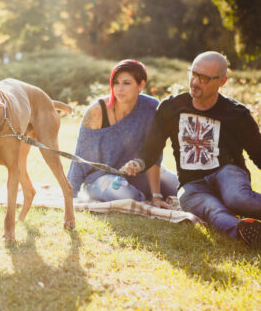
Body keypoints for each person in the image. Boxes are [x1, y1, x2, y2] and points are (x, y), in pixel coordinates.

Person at [120, 51, 261, 248]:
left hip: (227, 172)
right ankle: (244, 232)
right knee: (214, 211)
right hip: (192, 184)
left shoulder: (236, 114)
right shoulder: (170, 108)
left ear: (222, 81)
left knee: (236, 199)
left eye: (203, 78)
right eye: (193, 74)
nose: (195, 82)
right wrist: (139, 163)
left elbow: (258, 153)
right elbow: (153, 146)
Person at [67, 59, 178, 208]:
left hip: (138, 175)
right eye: (116, 83)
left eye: (126, 83)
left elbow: (154, 154)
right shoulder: (97, 111)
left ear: (141, 85)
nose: (119, 89)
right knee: (122, 193)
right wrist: (70, 195)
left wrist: (156, 196)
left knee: (179, 187)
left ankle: (145, 196)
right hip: (101, 179)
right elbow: (79, 157)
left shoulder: (151, 107)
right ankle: (140, 197)